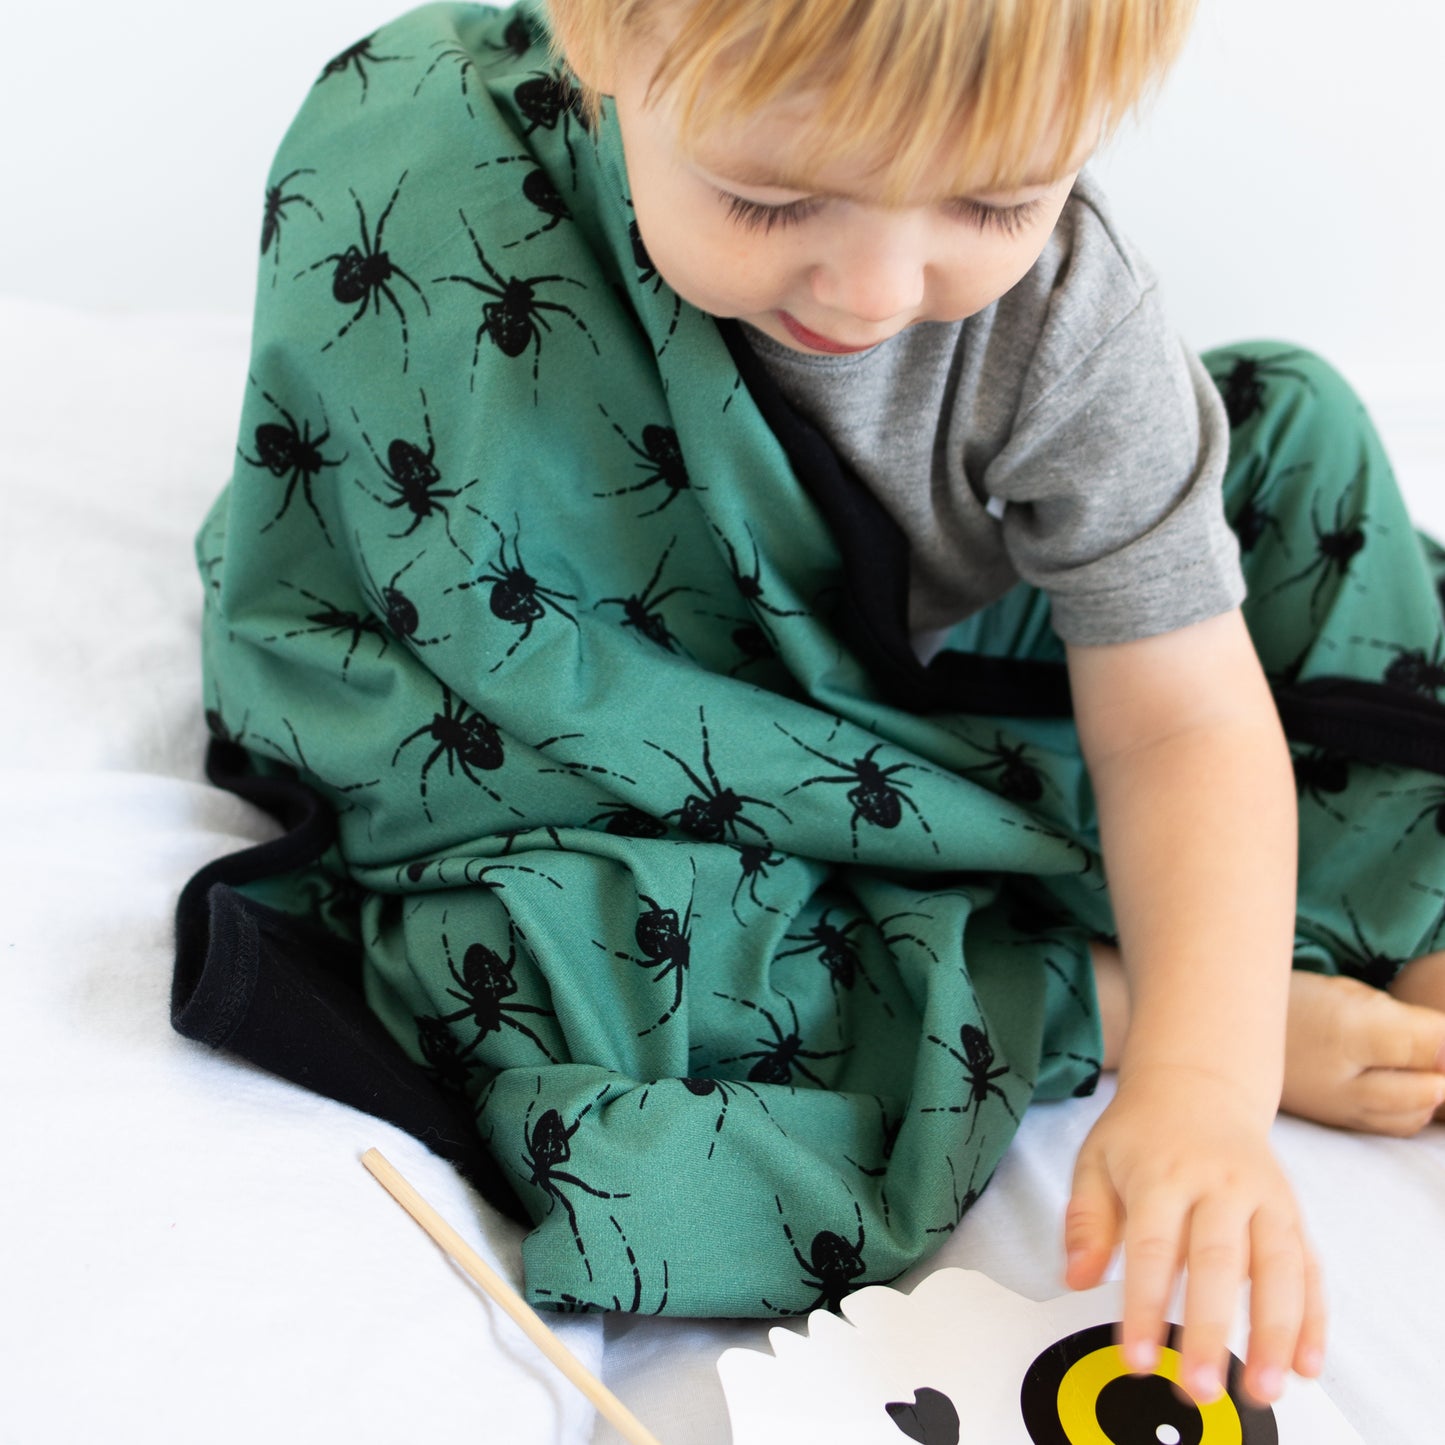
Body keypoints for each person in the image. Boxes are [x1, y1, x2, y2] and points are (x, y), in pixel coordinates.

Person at [176, 0, 1445, 1419]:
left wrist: (1209, 1096)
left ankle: (1383, 927)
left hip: (937, 647)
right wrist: (1184, 1039)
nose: (875, 290)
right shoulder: (417, 160)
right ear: (609, 37)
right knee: (543, 958)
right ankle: (1094, 992)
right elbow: (402, 586)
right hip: (600, 727)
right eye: (770, 200)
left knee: (1304, 445)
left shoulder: (1069, 326)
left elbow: (1182, 722)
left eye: (993, 202)